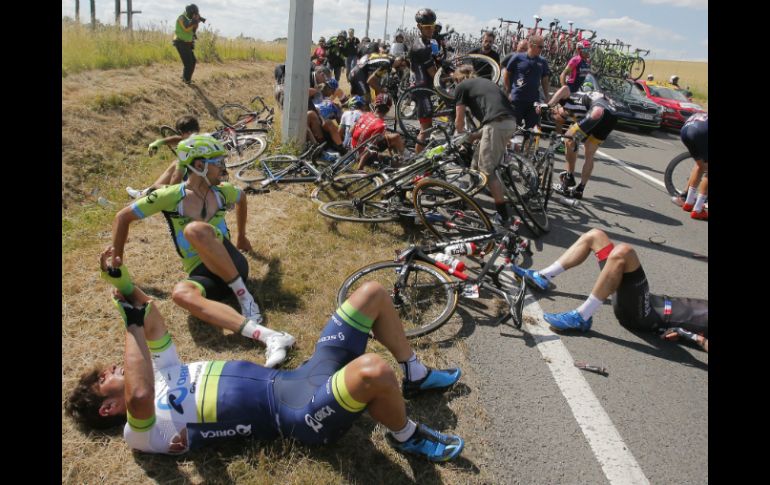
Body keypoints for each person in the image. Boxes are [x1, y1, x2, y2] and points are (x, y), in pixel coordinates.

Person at [64, 250, 465, 462]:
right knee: (373, 370)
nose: (115, 368)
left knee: (372, 294)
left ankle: (413, 373)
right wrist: (129, 324)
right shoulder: (139, 431)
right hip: (296, 415)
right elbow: (136, 394)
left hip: (298, 377)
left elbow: (151, 321)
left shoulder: (165, 375)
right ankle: (405, 436)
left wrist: (126, 284)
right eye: (105, 378)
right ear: (107, 408)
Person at [110, 134, 296, 366]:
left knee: (195, 230)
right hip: (203, 274)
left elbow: (242, 197)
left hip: (233, 264)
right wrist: (117, 259)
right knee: (180, 293)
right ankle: (266, 335)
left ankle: (246, 298)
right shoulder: (169, 196)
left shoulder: (222, 191)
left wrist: (242, 236)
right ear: (199, 165)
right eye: (217, 162)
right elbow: (122, 217)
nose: (223, 167)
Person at [511, 228, 708, 352]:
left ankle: (582, 316)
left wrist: (689, 336)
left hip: (647, 316)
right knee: (595, 236)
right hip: (643, 299)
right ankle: (543, 276)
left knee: (624, 252)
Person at [452, 65, 518, 225]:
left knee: (487, 171)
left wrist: (459, 137)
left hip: (496, 124)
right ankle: (469, 201)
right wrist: (473, 136)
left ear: (458, 78)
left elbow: (459, 121)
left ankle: (503, 215)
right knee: (475, 166)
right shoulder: (486, 83)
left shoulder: (461, 86)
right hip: (509, 123)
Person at [549, 83, 618, 199]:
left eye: (555, 114)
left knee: (568, 138)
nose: (557, 117)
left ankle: (568, 178)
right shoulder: (577, 109)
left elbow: (564, 88)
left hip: (598, 110)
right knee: (589, 153)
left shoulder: (566, 101)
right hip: (612, 115)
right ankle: (580, 189)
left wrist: (549, 104)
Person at [126, 115, 200, 199]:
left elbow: (175, 181)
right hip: (206, 187)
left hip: (194, 192)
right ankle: (145, 193)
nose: (180, 137)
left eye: (180, 133)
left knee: (175, 167)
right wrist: (160, 142)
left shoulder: (186, 151)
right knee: (176, 164)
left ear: (181, 132)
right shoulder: (204, 141)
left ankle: (145, 195)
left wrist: (164, 192)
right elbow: (180, 138)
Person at [502, 34, 551, 131]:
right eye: (540, 47)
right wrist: (509, 91)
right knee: (512, 128)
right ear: (531, 45)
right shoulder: (517, 58)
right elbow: (506, 74)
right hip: (517, 99)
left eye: (543, 47)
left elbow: (544, 80)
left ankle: (527, 145)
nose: (542, 49)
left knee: (531, 130)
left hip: (533, 101)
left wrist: (547, 96)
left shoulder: (543, 61)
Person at [408, 8, 441, 153]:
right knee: (425, 129)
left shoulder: (430, 41)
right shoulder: (420, 47)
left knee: (429, 126)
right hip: (421, 89)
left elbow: (438, 60)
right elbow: (434, 73)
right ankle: (417, 162)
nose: (430, 30)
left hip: (426, 86)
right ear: (419, 27)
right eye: (427, 27)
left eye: (432, 26)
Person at [350, 93, 405, 170]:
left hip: (353, 150)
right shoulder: (381, 125)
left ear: (375, 105)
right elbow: (370, 148)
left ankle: (399, 156)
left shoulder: (365, 114)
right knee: (396, 160)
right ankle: (404, 159)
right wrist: (360, 167)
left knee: (392, 136)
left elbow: (351, 131)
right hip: (362, 156)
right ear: (388, 109)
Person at [672, 112, 708, 220]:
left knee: (700, 166)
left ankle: (688, 202)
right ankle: (697, 210)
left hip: (687, 130)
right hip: (701, 132)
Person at [546, 39, 592, 115]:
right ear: (580, 50)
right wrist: (564, 88)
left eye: (590, 50)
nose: (589, 52)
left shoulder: (587, 62)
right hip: (569, 90)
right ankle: (547, 107)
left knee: (561, 117)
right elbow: (563, 74)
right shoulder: (575, 60)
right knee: (565, 88)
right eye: (587, 50)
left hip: (578, 92)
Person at [172, 4, 205, 84]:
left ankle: (186, 78)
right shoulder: (181, 17)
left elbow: (192, 31)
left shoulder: (190, 19)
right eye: (194, 14)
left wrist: (196, 23)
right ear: (191, 13)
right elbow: (186, 28)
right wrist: (194, 21)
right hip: (180, 42)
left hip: (187, 43)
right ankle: (186, 80)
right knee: (188, 63)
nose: (195, 15)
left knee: (192, 61)